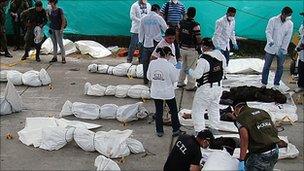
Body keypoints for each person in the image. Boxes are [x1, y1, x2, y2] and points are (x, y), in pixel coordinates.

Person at [186, 38, 225, 132]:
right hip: (218, 87)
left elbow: (197, 75)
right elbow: (224, 71)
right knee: (214, 108)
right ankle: (214, 128)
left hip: (206, 89)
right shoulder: (220, 56)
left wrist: (189, 71)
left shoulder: (204, 59)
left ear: (204, 47)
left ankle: (200, 132)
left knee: (198, 110)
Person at [232, 101, 281, 171]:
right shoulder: (263, 112)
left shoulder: (241, 118)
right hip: (274, 150)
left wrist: (241, 160)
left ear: (236, 108)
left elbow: (244, 139)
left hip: (261, 154)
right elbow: (273, 129)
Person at [147, 46, 183, 137]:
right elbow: (175, 79)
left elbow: (149, 77)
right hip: (167, 92)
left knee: (158, 111)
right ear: (167, 54)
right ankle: (176, 130)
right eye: (170, 55)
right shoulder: (169, 65)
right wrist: (177, 69)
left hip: (156, 92)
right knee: (173, 111)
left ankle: (159, 131)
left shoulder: (152, 63)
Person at [261, 7, 293, 90]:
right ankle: (264, 83)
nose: (289, 17)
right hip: (271, 47)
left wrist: (283, 48)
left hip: (282, 49)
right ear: (283, 14)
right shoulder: (273, 20)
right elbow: (268, 31)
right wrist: (270, 40)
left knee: (280, 67)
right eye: (288, 15)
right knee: (266, 66)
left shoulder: (290, 24)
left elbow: (288, 37)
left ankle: (276, 84)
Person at [138, 4, 168, 84]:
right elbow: (165, 29)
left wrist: (140, 41)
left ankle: (145, 79)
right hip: (156, 42)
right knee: (157, 61)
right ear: (157, 10)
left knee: (146, 62)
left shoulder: (143, 18)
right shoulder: (158, 18)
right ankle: (156, 79)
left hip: (146, 43)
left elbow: (141, 31)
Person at [177, 7, 202, 91]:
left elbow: (177, 33)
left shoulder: (180, 23)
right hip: (191, 49)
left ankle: (180, 82)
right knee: (191, 68)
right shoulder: (195, 25)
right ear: (194, 14)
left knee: (183, 65)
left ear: (187, 13)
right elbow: (198, 37)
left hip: (182, 48)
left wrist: (179, 43)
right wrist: (199, 46)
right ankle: (190, 85)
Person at [295, 12, 304, 93]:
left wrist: (301, 47)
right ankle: (301, 86)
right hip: (302, 55)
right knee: (301, 70)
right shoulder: (302, 25)